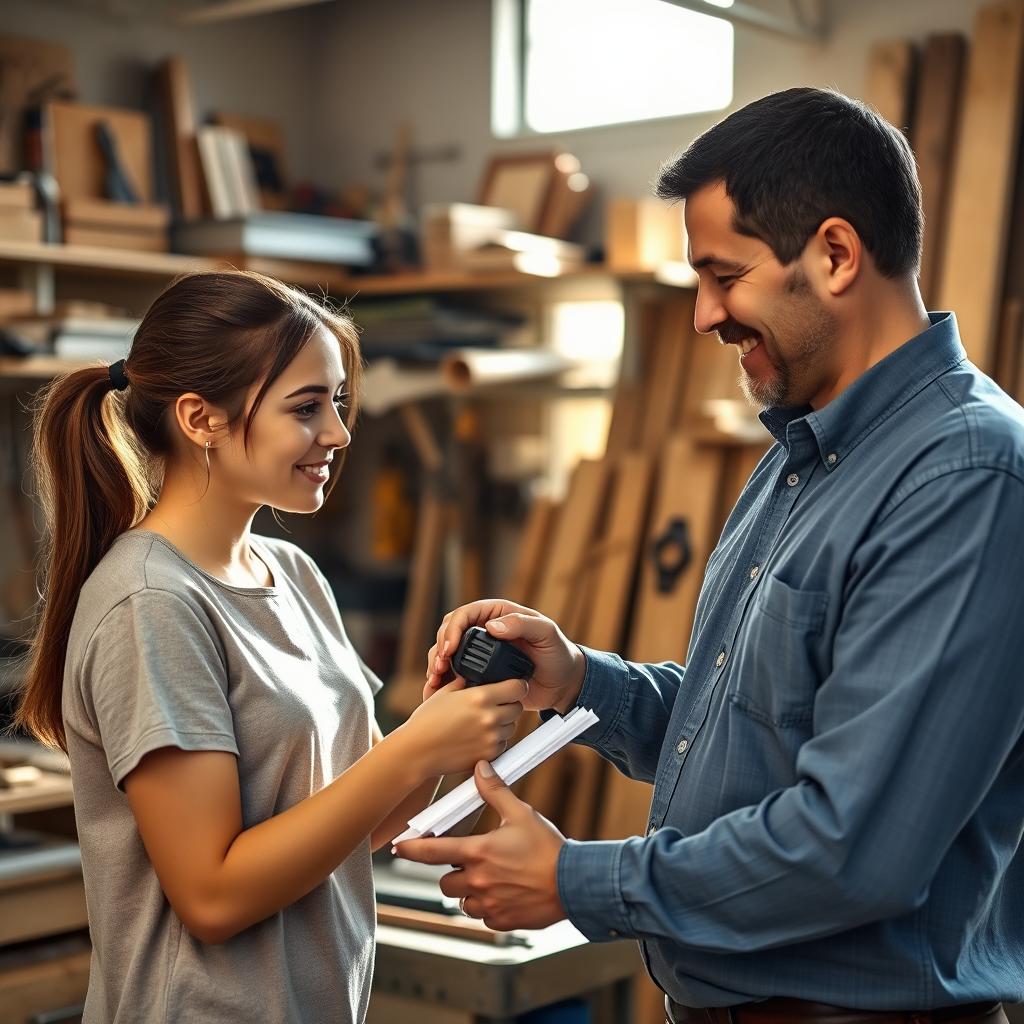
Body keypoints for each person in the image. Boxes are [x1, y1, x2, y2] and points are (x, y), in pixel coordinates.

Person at [397, 88, 1024, 1023]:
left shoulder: (966, 476)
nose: (702, 316)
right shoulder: (802, 457)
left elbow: (855, 848)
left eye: (723, 276)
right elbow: (748, 733)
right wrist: (578, 682)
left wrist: (577, 880)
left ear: (837, 255)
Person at [14, 270, 526, 1023]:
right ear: (201, 419)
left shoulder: (290, 573)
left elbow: (364, 821)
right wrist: (412, 750)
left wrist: (444, 725)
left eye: (339, 403)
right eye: (307, 406)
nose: (340, 433)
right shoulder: (153, 603)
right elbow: (213, 897)